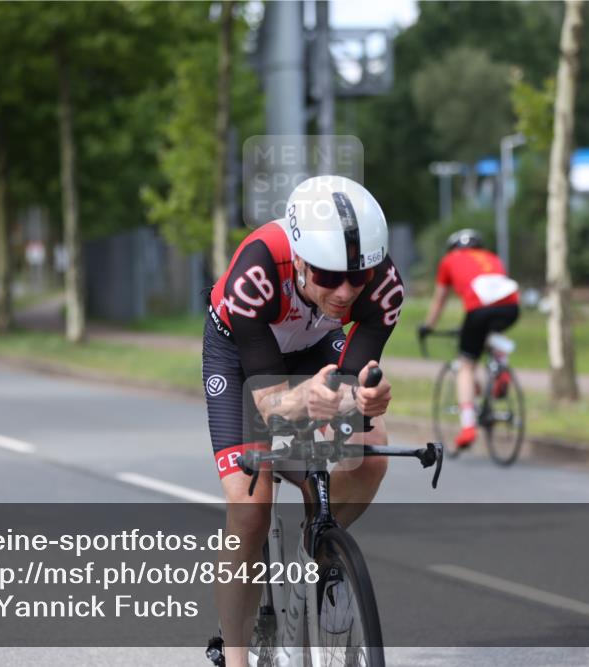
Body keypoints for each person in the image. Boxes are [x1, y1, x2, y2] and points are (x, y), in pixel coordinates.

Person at [203, 175, 404, 666]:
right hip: (240, 356)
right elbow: (268, 403)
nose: (344, 290)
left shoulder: (383, 287)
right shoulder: (254, 272)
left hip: (313, 345)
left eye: (357, 278)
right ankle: (235, 658)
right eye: (329, 275)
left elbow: (353, 383)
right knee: (250, 505)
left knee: (367, 456)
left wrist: (364, 398)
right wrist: (300, 403)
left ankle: (319, 558)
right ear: (297, 259)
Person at [419, 229, 519, 450]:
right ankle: (500, 365)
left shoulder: (449, 260)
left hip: (478, 311)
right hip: (511, 307)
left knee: (466, 365)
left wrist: (428, 326)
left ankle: (468, 427)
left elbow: (439, 300)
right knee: (489, 334)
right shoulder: (492, 257)